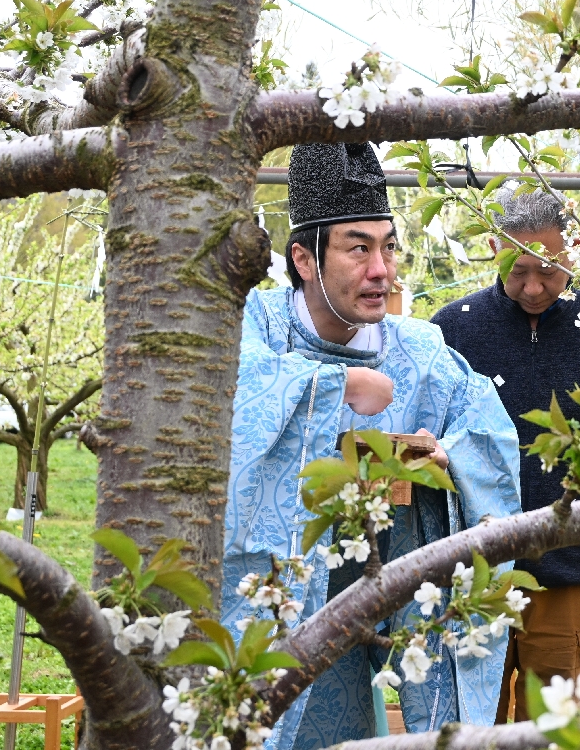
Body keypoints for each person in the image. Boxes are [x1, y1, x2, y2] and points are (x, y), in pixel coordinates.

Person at [222, 143, 522, 750]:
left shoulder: (420, 351)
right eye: (359, 248)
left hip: (365, 607)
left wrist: (449, 459)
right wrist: (338, 386)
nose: (381, 270)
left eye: (388, 247)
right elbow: (228, 388)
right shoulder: (255, 321)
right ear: (304, 259)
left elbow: (488, 437)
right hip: (270, 602)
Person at [430, 186, 580, 723]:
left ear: (572, 248)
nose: (532, 287)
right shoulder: (450, 329)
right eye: (517, 269)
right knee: (464, 723)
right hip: (470, 575)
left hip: (567, 577)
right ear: (491, 247)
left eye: (548, 270)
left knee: (551, 729)